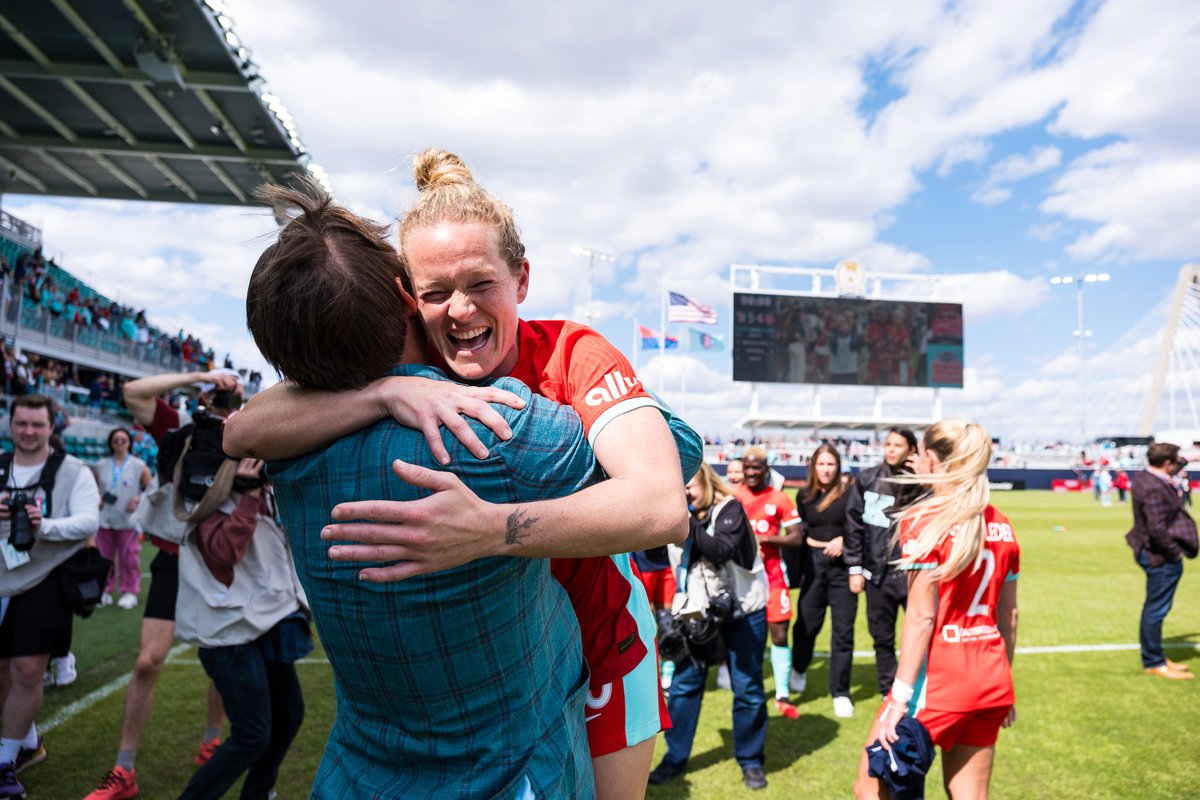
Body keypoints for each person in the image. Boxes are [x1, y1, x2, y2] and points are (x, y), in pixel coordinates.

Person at [225, 149, 702, 799]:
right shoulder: (414, 379)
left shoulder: (571, 352)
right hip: (519, 656)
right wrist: (384, 392)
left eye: (480, 284)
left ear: (522, 280)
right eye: (435, 293)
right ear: (405, 301)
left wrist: (492, 530)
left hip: (603, 640)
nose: (459, 310)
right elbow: (241, 430)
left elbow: (661, 504)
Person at [84, 371, 234, 800]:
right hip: (172, 555)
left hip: (216, 560)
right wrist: (201, 375)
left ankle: (211, 741)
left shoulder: (248, 428)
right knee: (148, 662)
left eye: (228, 391)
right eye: (215, 391)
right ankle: (124, 770)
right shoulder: (179, 428)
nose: (220, 396)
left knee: (222, 660)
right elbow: (132, 391)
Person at [855, 420, 1020, 800]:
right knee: (969, 793)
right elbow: (1008, 618)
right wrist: (1005, 688)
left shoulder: (926, 520)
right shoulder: (1003, 526)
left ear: (931, 457)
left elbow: (921, 617)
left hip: (938, 686)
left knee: (870, 789)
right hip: (992, 681)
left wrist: (898, 698)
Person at [166, 382, 309, 800]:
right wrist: (245, 497)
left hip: (263, 616)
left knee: (289, 715)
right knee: (252, 733)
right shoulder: (202, 484)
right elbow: (223, 554)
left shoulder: (263, 481)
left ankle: (257, 793)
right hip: (225, 625)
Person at [0, 394, 100, 798]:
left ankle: (4, 764)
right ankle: (27, 742)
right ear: (11, 425)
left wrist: (46, 525)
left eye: (37, 425)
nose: (28, 432)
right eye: (21, 424)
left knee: (26, 669)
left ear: (52, 427)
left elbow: (89, 521)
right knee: (3, 672)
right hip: (3, 576)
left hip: (46, 577)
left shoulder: (73, 470)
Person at [649, 464, 769, 790]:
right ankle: (674, 758)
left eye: (689, 485)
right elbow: (650, 551)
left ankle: (751, 760)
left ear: (705, 479)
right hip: (694, 614)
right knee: (686, 686)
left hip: (743, 613)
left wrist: (681, 518)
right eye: (679, 487)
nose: (684, 492)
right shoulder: (675, 513)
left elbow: (721, 550)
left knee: (748, 689)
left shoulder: (730, 508)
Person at [845, 428, 922, 697]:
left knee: (923, 632)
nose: (890, 449)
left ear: (912, 450)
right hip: (877, 573)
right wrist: (854, 567)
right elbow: (853, 524)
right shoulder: (868, 478)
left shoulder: (924, 481)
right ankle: (888, 692)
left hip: (914, 573)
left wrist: (922, 477)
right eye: (887, 443)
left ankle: (921, 686)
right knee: (882, 637)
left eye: (897, 445)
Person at [734, 447, 803, 719]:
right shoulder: (734, 497)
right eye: (747, 468)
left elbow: (797, 537)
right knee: (746, 635)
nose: (751, 473)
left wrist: (764, 540)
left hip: (774, 577)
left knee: (779, 633)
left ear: (766, 469)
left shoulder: (780, 498)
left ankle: (782, 693)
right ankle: (748, 689)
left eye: (756, 468)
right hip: (743, 579)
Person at [792, 443, 859, 718]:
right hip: (813, 566)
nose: (826, 469)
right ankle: (799, 667)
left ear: (838, 466)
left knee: (843, 633)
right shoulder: (804, 496)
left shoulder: (850, 493)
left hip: (843, 569)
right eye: (821, 464)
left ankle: (840, 693)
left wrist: (844, 541)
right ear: (813, 466)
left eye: (831, 464)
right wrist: (813, 543)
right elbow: (800, 531)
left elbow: (859, 526)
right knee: (806, 624)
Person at [1125, 443, 1197, 680]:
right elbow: (1156, 529)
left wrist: (1188, 457)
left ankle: (1156, 657)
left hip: (1154, 551)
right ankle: (1154, 661)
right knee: (1156, 609)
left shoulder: (1148, 476)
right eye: (1176, 461)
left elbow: (1175, 465)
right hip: (1160, 555)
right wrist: (1174, 552)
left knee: (1155, 607)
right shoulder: (1154, 486)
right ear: (1167, 463)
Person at [93, 428, 152, 610]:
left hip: (128, 519)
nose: (119, 443)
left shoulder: (139, 465)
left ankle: (129, 591)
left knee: (130, 558)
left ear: (129, 443)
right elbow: (92, 489)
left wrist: (138, 499)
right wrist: (98, 499)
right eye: (116, 440)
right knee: (103, 557)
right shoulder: (100, 465)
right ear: (111, 443)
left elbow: (151, 488)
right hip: (105, 518)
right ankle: (104, 590)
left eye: (123, 440)